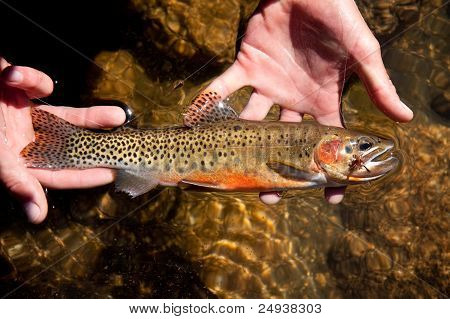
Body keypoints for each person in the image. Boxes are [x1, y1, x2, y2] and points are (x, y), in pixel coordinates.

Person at [0, 0, 413, 223]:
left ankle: (71, 146)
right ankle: (73, 147)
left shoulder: (313, 160)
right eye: (357, 145)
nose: (363, 152)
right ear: (328, 146)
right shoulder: (308, 164)